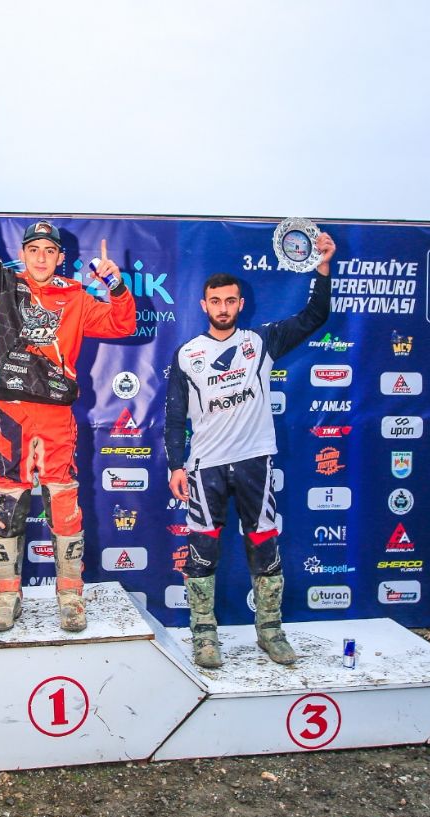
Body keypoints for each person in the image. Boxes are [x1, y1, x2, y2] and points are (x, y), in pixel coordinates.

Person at [0, 151, 136, 633]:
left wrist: (115, 285)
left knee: (64, 507)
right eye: (34, 249)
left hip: (56, 418)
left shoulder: (76, 297)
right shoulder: (3, 287)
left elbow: (123, 323)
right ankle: (6, 597)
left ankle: (70, 596)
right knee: (7, 507)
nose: (42, 257)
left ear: (60, 257)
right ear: (24, 254)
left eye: (50, 251)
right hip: (12, 414)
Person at [165, 233, 337, 667]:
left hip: (254, 462)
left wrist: (322, 267)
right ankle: (204, 635)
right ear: (203, 305)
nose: (223, 307)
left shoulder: (261, 342)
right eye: (215, 301)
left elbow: (315, 315)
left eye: (230, 300)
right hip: (205, 467)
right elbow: (174, 416)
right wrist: (175, 465)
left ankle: (270, 631)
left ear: (241, 304)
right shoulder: (187, 354)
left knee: (263, 545)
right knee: (202, 550)